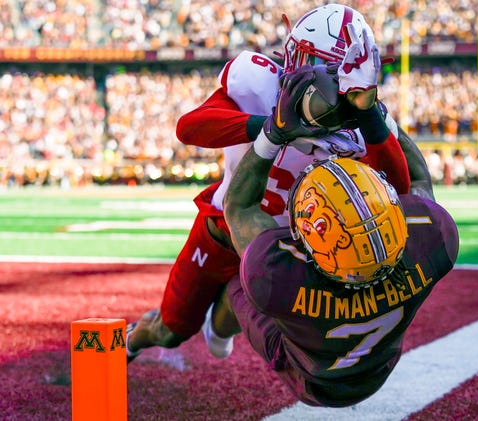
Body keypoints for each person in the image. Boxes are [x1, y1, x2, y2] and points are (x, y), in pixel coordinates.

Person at [125, 4, 432, 362]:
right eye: (320, 68)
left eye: (339, 74)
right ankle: (133, 339)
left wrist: (371, 117)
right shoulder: (260, 83)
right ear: (296, 55)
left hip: (277, 245)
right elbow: (189, 127)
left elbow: (400, 190)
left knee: (230, 319)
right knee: (171, 330)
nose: (327, 83)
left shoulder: (361, 127)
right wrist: (270, 126)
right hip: (219, 228)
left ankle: (221, 323)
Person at [215, 119, 459, 406]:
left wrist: (272, 134)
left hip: (310, 380)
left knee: (235, 281)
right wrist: (379, 117)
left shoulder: (275, 274)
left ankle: (216, 335)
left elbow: (238, 207)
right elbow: (418, 179)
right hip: (380, 366)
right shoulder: (435, 236)